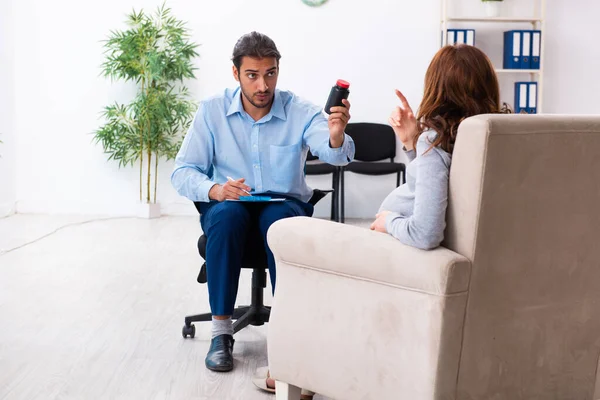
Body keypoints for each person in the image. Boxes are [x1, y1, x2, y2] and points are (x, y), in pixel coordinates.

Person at [171, 31, 355, 373]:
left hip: (283, 205)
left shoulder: (300, 110)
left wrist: (335, 134)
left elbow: (337, 154)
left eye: (270, 73)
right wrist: (215, 190)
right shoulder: (211, 111)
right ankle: (221, 333)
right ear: (235, 73)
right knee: (226, 215)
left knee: (278, 221)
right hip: (230, 205)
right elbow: (182, 172)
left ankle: (291, 337)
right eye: (252, 75)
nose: (262, 86)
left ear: (277, 70)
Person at [370, 44, 509, 248]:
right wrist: (411, 142)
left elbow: (425, 234)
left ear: (436, 89)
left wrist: (388, 221)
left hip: (407, 249)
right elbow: (443, 180)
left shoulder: (436, 140)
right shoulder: (496, 135)